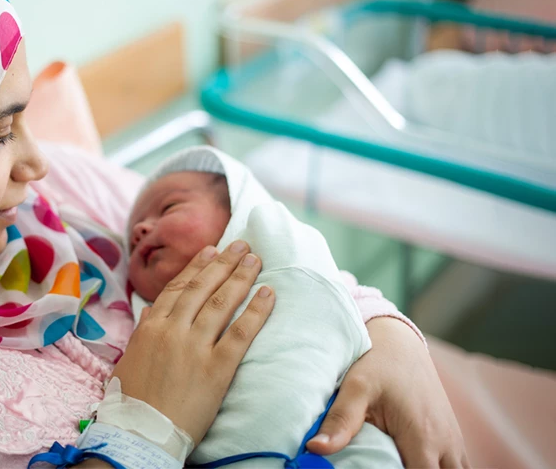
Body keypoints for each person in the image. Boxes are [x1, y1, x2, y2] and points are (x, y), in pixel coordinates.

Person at [0, 0, 467, 467]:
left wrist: (394, 337)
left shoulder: (67, 200)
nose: (37, 165)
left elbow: (262, 244)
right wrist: (148, 428)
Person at [127, 147, 402, 467]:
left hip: (338, 434)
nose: (140, 230)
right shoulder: (143, 334)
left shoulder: (289, 254)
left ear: (240, 208)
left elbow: (335, 310)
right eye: (131, 242)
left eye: (169, 207)